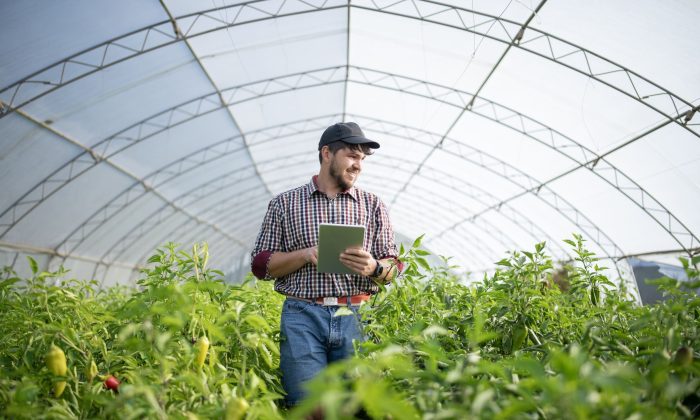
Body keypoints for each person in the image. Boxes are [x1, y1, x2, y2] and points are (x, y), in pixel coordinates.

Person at [250, 121, 402, 408]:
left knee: (356, 406)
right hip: (302, 315)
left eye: (362, 159)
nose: (358, 165)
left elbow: (393, 266)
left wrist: (374, 267)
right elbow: (260, 265)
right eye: (352, 156)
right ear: (326, 154)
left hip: (355, 314)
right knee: (308, 407)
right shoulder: (285, 204)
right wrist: (304, 255)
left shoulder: (373, 205)